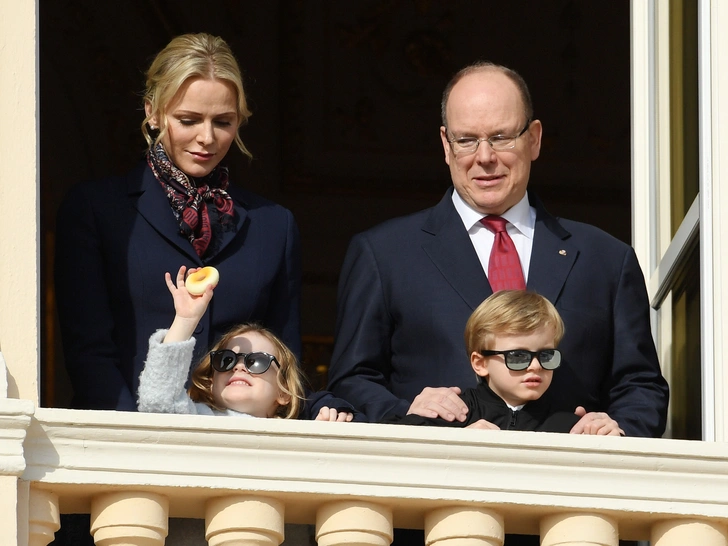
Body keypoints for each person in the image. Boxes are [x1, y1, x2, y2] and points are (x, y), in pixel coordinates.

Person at [328, 60, 669, 439]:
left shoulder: (605, 259)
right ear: (446, 145)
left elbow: (640, 386)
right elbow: (352, 380)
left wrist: (617, 431)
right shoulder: (384, 253)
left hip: (569, 484)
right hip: (433, 483)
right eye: (467, 140)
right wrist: (409, 414)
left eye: (502, 137)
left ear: (534, 139)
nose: (485, 156)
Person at [54, 33, 337, 417]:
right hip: (123, 443)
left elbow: (284, 359)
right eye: (188, 120)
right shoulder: (95, 209)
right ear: (152, 112)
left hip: (236, 450)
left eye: (223, 121)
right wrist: (130, 439)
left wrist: (323, 406)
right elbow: (89, 353)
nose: (207, 138)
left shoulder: (273, 225)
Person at [138, 266, 354, 421]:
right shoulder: (199, 418)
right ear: (212, 383)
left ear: (284, 393)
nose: (239, 366)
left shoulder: (293, 435)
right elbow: (158, 403)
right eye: (226, 360)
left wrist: (324, 431)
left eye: (257, 361)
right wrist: (185, 320)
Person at [391, 290, 623, 435]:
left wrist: (610, 436)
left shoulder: (570, 425)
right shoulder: (453, 412)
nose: (535, 366)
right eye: (518, 357)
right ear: (480, 363)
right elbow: (390, 453)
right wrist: (455, 444)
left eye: (546, 355)